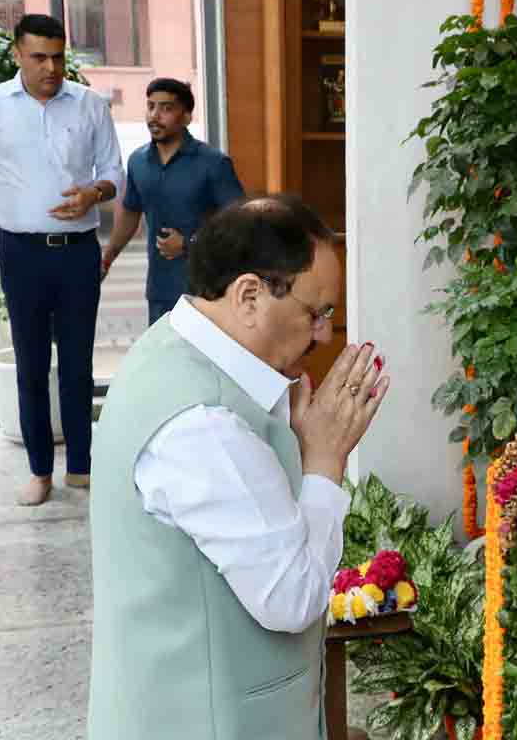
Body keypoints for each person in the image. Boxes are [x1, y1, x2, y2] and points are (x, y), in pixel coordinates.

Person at [88, 195, 390, 739]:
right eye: (315, 312)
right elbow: (291, 597)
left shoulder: (171, 345)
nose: (323, 334)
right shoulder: (202, 423)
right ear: (249, 294)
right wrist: (325, 460)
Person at [0, 13, 124, 506]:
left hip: (78, 254)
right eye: (39, 57)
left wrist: (94, 194)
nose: (51, 67)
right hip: (21, 254)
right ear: (17, 54)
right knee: (31, 366)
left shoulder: (89, 104)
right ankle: (39, 471)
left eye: (58, 56)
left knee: (78, 366)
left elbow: (114, 171)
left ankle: (81, 466)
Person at [103, 78, 245, 325]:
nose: (155, 116)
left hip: (206, 292)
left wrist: (189, 244)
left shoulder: (213, 164)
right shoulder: (137, 162)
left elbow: (240, 225)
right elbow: (130, 212)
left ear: (187, 117)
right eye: (150, 107)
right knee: (163, 361)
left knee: (200, 363)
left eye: (166, 109)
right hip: (159, 291)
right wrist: (108, 257)